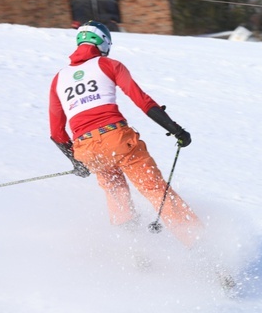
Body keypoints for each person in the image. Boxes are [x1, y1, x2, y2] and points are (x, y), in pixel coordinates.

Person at [49, 20, 202, 248]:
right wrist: (176, 130)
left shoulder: (58, 79)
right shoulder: (109, 65)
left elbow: (57, 131)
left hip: (87, 150)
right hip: (117, 139)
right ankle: (202, 246)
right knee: (154, 189)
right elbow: (142, 101)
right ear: (103, 43)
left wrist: (76, 161)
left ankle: (134, 252)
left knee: (115, 192)